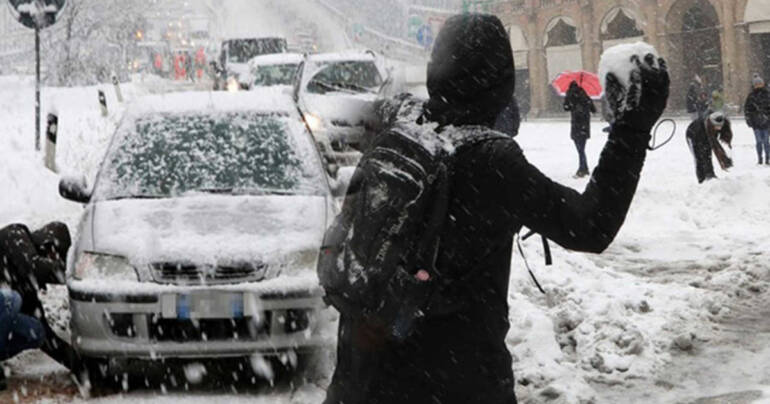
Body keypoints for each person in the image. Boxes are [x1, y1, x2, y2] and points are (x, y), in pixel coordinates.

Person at [323, 14, 669, 404]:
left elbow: (360, 111)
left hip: (362, 378)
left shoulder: (400, 124)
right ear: (502, 81)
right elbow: (590, 226)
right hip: (456, 383)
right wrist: (631, 131)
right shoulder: (491, 162)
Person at [0, 223, 81, 384]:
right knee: (11, 300)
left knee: (35, 331)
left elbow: (46, 336)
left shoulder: (25, 282)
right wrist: (75, 274)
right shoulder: (14, 234)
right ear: (50, 248)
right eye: (55, 258)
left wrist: (81, 367)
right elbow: (33, 267)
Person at [685, 112, 733, 183]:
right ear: (711, 124)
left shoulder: (722, 123)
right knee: (700, 158)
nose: (718, 128)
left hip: (706, 135)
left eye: (720, 126)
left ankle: (710, 175)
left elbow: (717, 141)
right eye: (716, 126)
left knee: (708, 155)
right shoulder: (701, 130)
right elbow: (704, 153)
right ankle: (702, 179)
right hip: (693, 136)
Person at [563, 81, 596, 177]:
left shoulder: (570, 94)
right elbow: (593, 109)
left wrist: (570, 103)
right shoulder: (585, 95)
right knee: (581, 148)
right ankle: (584, 168)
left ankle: (582, 169)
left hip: (576, 125)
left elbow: (566, 107)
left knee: (580, 149)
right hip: (585, 125)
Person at [744, 74, 770, 165]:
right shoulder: (751, 96)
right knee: (759, 141)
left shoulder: (767, 94)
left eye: (760, 84)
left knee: (766, 141)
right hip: (756, 123)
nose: (758, 86)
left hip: (766, 122)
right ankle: (760, 158)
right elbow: (747, 109)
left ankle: (768, 157)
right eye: (757, 84)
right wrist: (749, 120)